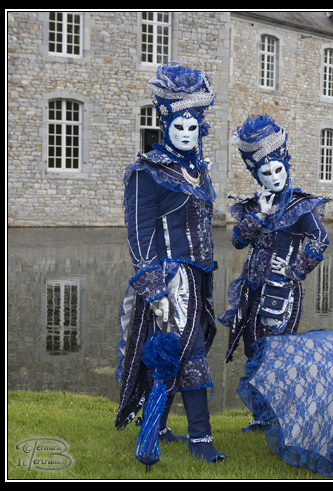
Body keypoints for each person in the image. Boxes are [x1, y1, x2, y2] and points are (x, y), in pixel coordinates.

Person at [114, 62, 225, 463]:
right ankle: (200, 439)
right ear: (166, 126)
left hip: (200, 278)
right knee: (188, 351)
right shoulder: (148, 172)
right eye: (179, 126)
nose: (186, 133)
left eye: (193, 126)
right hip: (171, 279)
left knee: (175, 350)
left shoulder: (198, 170)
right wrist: (154, 288)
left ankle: (157, 426)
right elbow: (140, 235)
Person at [219, 114, 330, 431]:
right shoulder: (255, 206)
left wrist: (295, 269)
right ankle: (262, 417)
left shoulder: (299, 207)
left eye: (278, 170)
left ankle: (283, 418)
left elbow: (320, 239)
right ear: (258, 176)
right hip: (251, 291)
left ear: (286, 167)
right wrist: (260, 216)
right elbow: (238, 241)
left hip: (281, 293)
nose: (274, 177)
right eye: (266, 173)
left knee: (276, 355)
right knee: (253, 350)